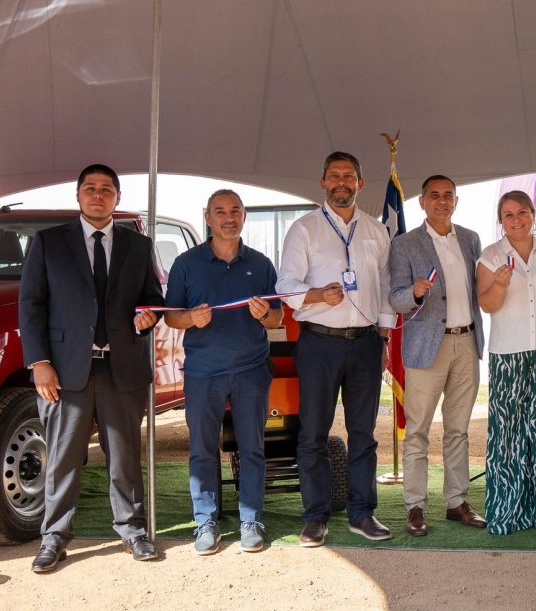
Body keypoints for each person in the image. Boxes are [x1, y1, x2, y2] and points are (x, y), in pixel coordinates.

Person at [19, 163, 163, 572]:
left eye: (106, 189)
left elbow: (153, 298)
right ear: (78, 195)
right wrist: (39, 362)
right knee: (63, 458)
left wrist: (148, 317)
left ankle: (132, 531)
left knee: (124, 456)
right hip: (65, 372)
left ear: (117, 197)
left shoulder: (138, 245)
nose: (98, 195)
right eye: (90, 188)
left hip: (122, 368)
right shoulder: (49, 242)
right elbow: (31, 304)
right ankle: (54, 537)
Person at [277, 151, 394, 547]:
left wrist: (383, 339)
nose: (341, 182)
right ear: (322, 182)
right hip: (319, 344)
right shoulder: (304, 229)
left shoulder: (376, 231)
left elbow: (384, 289)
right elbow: (285, 287)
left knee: (363, 433)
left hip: (365, 344)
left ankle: (363, 513)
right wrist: (316, 295)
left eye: (349, 175)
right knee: (313, 433)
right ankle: (315, 517)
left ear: (360, 183)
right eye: (334, 175)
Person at [163, 189, 283, 554]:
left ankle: (251, 519)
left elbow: (277, 319)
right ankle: (206, 521)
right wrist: (190, 318)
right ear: (208, 217)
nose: (228, 218)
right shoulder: (186, 264)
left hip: (251, 370)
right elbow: (171, 316)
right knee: (202, 449)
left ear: (244, 215)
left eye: (235, 211)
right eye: (220, 211)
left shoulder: (261, 264)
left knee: (252, 447)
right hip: (203, 372)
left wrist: (265, 314)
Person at [388, 175, 486, 536]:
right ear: (422, 201)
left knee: (458, 430)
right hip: (426, 347)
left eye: (448, 195)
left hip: (467, 342)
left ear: (456, 201)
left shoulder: (471, 239)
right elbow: (395, 299)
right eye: (434, 195)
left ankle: (457, 502)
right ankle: (415, 506)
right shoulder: (404, 244)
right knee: (417, 431)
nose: (442, 201)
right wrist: (413, 293)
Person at [476, 190, 536, 534]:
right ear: (501, 222)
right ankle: (508, 513)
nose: (516, 220)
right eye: (508, 215)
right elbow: (487, 305)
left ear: (532, 214)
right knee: (507, 436)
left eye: (522, 212)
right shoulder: (491, 256)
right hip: (507, 356)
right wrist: (499, 286)